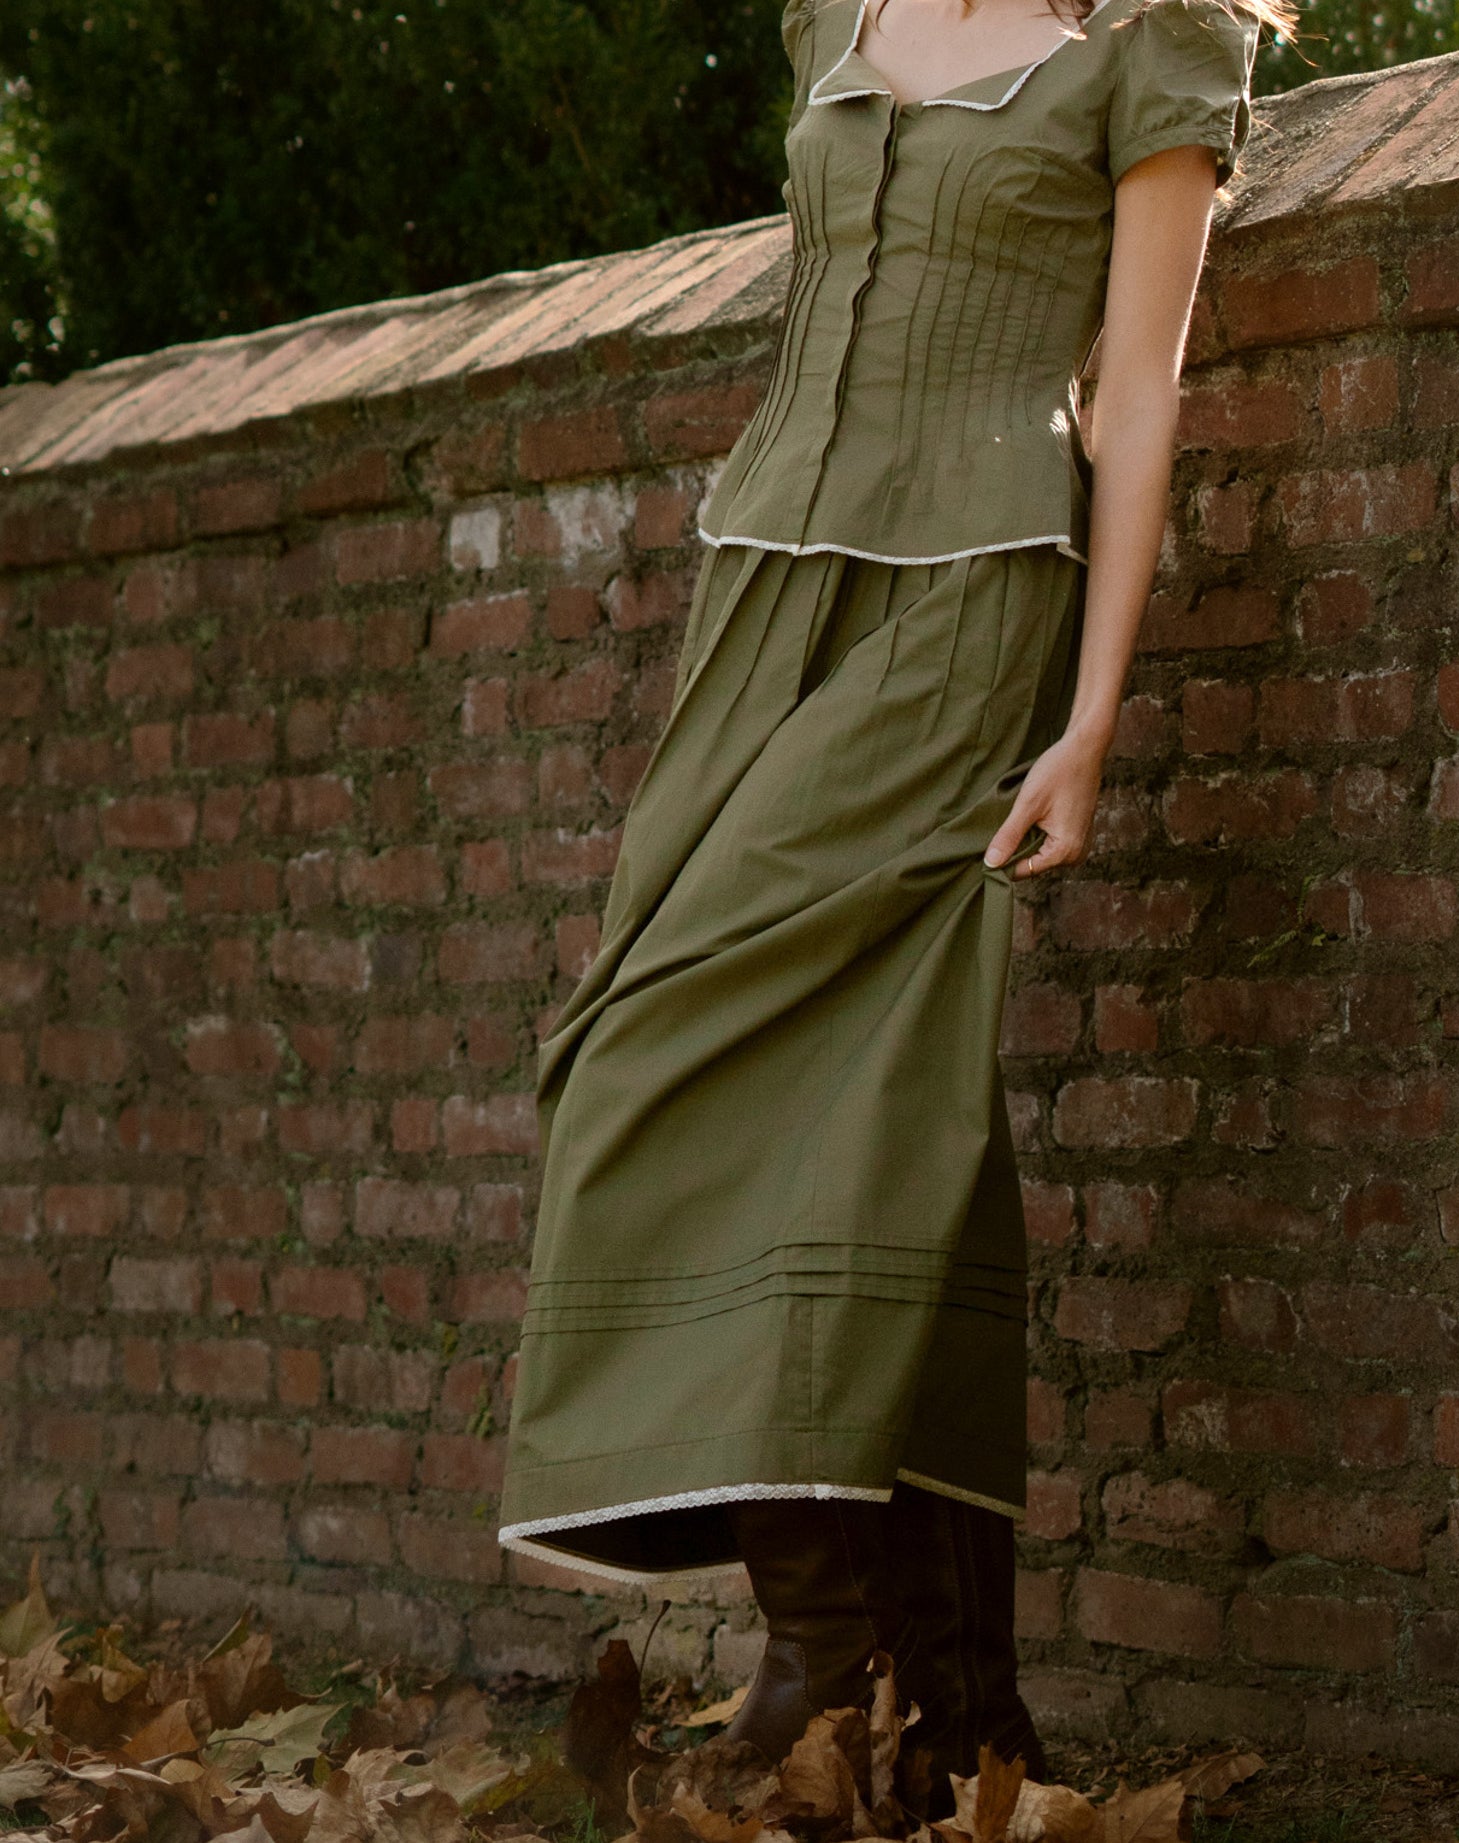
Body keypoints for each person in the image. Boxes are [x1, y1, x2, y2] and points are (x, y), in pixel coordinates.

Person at [499, 0, 1292, 1794]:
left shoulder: (1152, 46)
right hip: (764, 592)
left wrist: (1091, 717)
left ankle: (823, 1653)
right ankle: (953, 1710)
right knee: (883, 1108)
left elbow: (1140, 384)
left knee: (644, 1054)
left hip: (968, 602)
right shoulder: (835, 16)